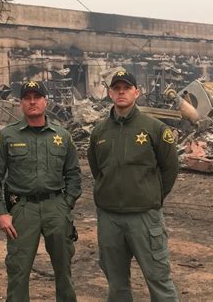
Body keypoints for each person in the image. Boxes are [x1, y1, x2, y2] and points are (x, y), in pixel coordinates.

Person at [0, 80, 82, 302]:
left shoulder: (62, 136)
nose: (32, 102)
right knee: (18, 270)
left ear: (45, 101)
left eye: (37, 97)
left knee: (64, 269)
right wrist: (0, 212)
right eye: (27, 98)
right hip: (23, 209)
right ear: (21, 103)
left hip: (56, 207)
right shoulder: (7, 136)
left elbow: (74, 174)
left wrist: (66, 204)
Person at [87, 70, 179, 302]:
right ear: (109, 93)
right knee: (116, 285)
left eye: (126, 88)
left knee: (158, 280)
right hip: (110, 219)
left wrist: (153, 196)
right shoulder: (99, 132)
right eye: (116, 88)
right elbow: (97, 168)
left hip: (144, 218)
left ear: (136, 92)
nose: (121, 92)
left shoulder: (155, 129)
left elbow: (170, 169)